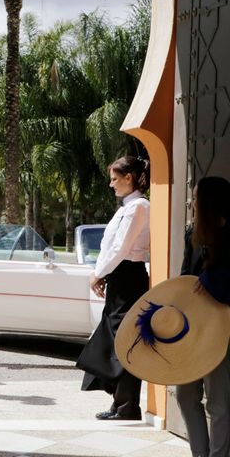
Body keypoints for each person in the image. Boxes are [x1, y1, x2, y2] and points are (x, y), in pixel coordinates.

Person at [76, 155, 150, 420]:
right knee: (114, 338)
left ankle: (127, 405)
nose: (111, 185)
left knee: (126, 340)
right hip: (121, 277)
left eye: (115, 179)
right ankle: (120, 402)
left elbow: (122, 248)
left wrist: (97, 274)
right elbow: (112, 247)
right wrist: (104, 275)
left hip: (130, 279)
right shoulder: (127, 207)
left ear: (129, 178)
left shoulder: (138, 207)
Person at [176, 176, 230, 457]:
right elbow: (185, 277)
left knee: (218, 401)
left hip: (222, 329)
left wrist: (208, 280)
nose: (192, 203)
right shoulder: (192, 234)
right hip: (192, 326)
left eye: (196, 198)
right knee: (185, 394)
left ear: (209, 203)